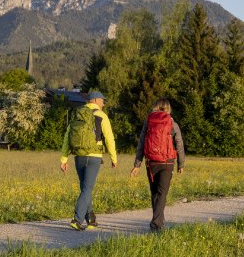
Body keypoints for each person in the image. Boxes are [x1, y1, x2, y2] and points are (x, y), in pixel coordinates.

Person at [60, 91, 118, 231]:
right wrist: (113, 157)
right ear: (96, 100)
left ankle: (91, 221)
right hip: (94, 157)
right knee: (87, 189)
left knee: (85, 189)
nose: (103, 103)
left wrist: (64, 158)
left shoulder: (78, 114)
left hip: (79, 156)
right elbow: (109, 138)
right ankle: (77, 220)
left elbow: (68, 136)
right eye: (102, 101)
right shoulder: (101, 115)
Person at [130, 98, 185, 232]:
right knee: (162, 193)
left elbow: (141, 143)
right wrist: (181, 164)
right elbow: (179, 144)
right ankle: (156, 223)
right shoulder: (172, 123)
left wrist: (137, 164)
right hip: (167, 163)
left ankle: (158, 221)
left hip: (151, 162)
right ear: (168, 108)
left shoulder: (148, 122)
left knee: (155, 193)